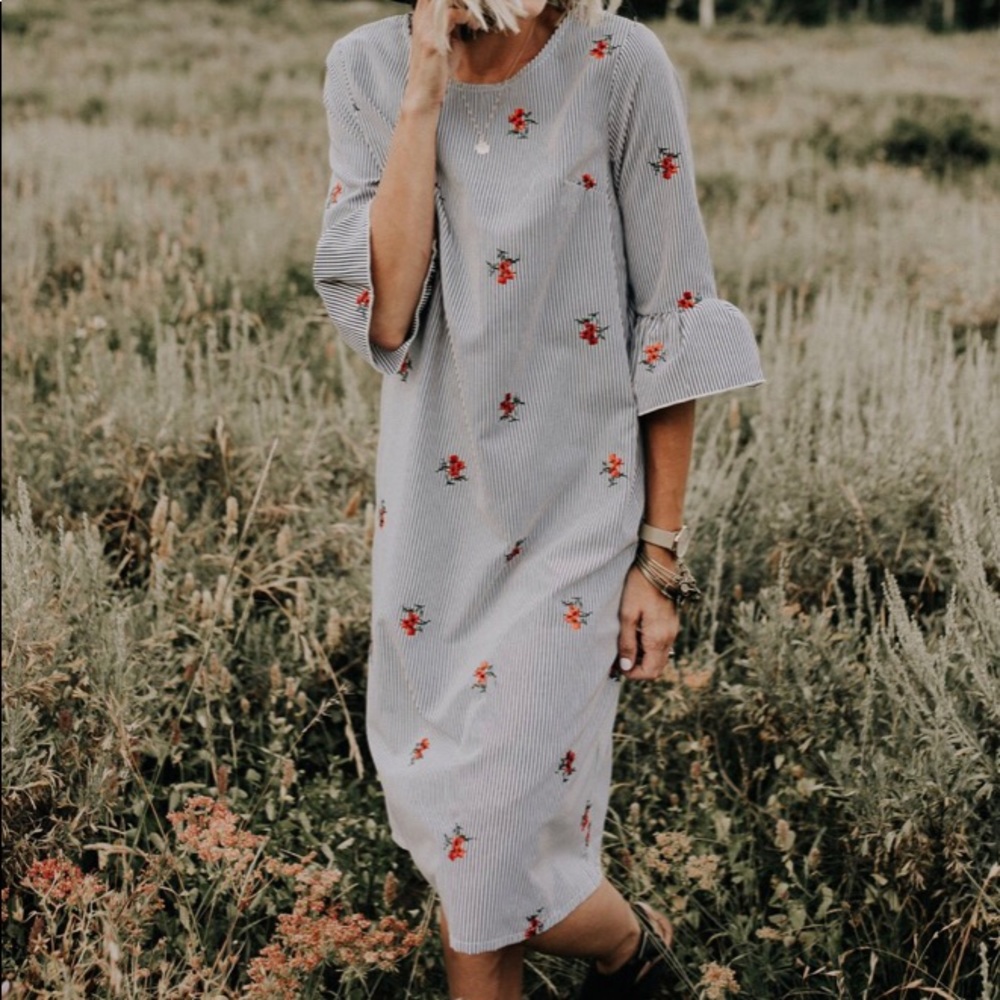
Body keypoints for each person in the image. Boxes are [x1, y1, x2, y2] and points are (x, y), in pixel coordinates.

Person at [313, 0, 763, 995]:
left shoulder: (617, 64)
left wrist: (658, 554)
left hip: (578, 523)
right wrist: (422, 92)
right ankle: (628, 945)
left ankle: (622, 945)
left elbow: (672, 312)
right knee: (479, 859)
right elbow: (386, 309)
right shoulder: (366, 68)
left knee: (484, 850)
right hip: (434, 532)